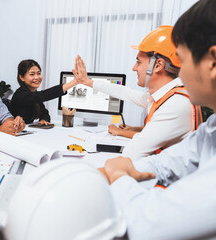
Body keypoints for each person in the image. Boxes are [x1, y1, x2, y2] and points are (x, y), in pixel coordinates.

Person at [99, 0, 216, 238]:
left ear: (213, 62)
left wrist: (119, 175)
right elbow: (166, 164)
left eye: (183, 61)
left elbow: (148, 226)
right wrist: (118, 170)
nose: (179, 73)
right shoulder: (215, 126)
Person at [74, 25, 202, 160]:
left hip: (166, 180)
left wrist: (121, 133)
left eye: (139, 62)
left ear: (158, 65)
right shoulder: (168, 96)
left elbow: (131, 155)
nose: (134, 68)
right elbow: (127, 93)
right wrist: (87, 82)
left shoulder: (175, 104)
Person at [10, 59, 78, 124]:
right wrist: (74, 82)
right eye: (32, 74)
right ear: (21, 77)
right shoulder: (20, 94)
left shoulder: (33, 93)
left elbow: (44, 113)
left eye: (39, 73)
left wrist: (43, 120)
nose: (37, 77)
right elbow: (43, 95)